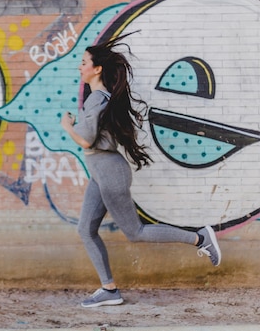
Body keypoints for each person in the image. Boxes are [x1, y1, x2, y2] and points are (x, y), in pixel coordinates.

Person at [61, 33, 222, 308]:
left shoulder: (96, 99)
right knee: (86, 229)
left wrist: (67, 126)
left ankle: (199, 238)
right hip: (101, 172)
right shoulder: (100, 98)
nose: (80, 66)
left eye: (84, 62)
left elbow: (86, 140)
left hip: (109, 172)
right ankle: (109, 289)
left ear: (97, 69)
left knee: (135, 232)